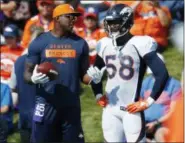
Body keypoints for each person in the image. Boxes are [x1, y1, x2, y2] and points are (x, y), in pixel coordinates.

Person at [87, 4, 169, 142]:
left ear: (127, 22)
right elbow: (96, 74)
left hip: (131, 109)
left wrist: (148, 102)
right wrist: (98, 94)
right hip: (110, 109)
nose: (111, 26)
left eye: (115, 22)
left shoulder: (141, 43)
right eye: (109, 22)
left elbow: (162, 74)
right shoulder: (104, 44)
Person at [23, 4, 101, 143]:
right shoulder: (40, 42)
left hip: (71, 104)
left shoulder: (80, 43)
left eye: (75, 18)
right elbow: (27, 74)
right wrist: (33, 79)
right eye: (69, 17)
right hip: (46, 103)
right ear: (57, 18)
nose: (73, 20)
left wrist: (93, 78)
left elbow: (83, 75)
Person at [140, 53, 181, 142]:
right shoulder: (145, 83)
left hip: (164, 124)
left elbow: (173, 111)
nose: (155, 76)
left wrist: (156, 123)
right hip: (145, 124)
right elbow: (138, 104)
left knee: (160, 135)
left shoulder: (175, 85)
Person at [9, 50, 36, 143]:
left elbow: (13, 88)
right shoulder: (49, 61)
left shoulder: (19, 61)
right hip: (46, 117)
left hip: (25, 115)